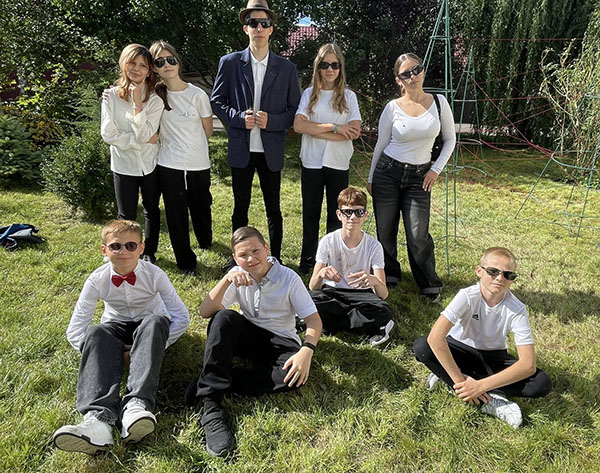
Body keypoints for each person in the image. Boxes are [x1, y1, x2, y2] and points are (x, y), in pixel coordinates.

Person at [52, 220, 190, 454]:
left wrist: (151, 349)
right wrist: (100, 355)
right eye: (116, 246)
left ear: (141, 248)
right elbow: (75, 329)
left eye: (130, 245)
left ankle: (136, 406)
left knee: (157, 321)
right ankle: (97, 421)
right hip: (115, 325)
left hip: (149, 325)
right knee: (95, 332)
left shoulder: (155, 274)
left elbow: (181, 317)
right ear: (104, 250)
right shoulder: (97, 279)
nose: (124, 251)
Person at [185, 226, 322, 456]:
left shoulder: (289, 278)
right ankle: (211, 404)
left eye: (256, 251)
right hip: (248, 335)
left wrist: (307, 350)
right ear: (234, 257)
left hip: (281, 342)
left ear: (266, 248)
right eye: (243, 255)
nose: (250, 259)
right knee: (223, 318)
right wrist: (226, 279)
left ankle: (215, 378)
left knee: (294, 378)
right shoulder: (237, 275)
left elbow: (313, 320)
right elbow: (205, 311)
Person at [413, 247, 552, 428]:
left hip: (493, 356)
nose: (500, 278)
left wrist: (480, 386)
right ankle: (488, 400)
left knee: (541, 383)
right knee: (422, 346)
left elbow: (528, 364)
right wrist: (460, 381)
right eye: (493, 271)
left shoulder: (517, 309)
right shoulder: (467, 296)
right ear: (479, 271)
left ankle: (446, 374)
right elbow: (435, 337)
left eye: (508, 275)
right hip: (459, 348)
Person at [210, 0, 301, 267]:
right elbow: (217, 101)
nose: (259, 28)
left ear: (271, 29)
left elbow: (294, 111)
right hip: (242, 147)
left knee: (274, 208)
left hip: (270, 149)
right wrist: (239, 118)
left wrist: (272, 121)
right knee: (240, 207)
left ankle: (277, 259)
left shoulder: (286, 68)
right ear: (245, 28)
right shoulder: (230, 63)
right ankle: (238, 258)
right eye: (253, 23)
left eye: (264, 23)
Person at [368, 53, 456, 300]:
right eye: (406, 74)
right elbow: (381, 144)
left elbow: (450, 139)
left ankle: (428, 282)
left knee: (418, 234)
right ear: (398, 80)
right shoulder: (392, 108)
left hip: (420, 176)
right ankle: (389, 275)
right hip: (388, 172)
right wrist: (371, 177)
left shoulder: (439, 103)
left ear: (423, 70)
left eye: (416, 70)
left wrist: (436, 169)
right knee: (386, 231)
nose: (413, 76)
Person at [293, 43, 361, 275]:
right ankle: (308, 261)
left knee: (337, 215)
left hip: (338, 162)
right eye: (324, 65)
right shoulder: (309, 94)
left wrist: (315, 130)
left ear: (340, 68)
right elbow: (298, 126)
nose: (330, 69)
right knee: (310, 214)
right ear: (317, 67)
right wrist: (335, 127)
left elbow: (353, 132)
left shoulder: (349, 96)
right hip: (311, 162)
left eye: (335, 65)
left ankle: (332, 261)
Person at [150, 40, 214, 274]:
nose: (166, 64)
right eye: (159, 62)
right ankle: (186, 262)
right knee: (176, 214)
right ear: (154, 68)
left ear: (178, 62)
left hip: (198, 162)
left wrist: (192, 147)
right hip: (169, 164)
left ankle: (205, 239)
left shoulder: (197, 95)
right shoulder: (156, 95)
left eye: (170, 59)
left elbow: (207, 130)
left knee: (202, 204)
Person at [101, 44, 164, 264]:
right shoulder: (110, 96)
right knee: (125, 214)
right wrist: (138, 140)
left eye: (143, 66)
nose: (137, 69)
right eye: (132, 63)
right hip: (123, 164)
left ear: (149, 71)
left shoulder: (155, 101)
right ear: (123, 64)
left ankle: (149, 252)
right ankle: (125, 249)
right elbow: (108, 133)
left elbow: (146, 133)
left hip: (149, 163)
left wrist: (137, 104)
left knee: (151, 210)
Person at [308, 187, 394, 346]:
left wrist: (374, 281)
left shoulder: (374, 245)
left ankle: (331, 323)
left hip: (362, 295)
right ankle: (364, 326)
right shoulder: (328, 241)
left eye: (359, 212)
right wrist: (321, 274)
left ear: (365, 215)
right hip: (333, 292)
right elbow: (313, 287)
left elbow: (383, 295)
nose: (353, 217)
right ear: (339, 214)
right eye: (347, 212)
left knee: (383, 309)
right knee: (309, 300)